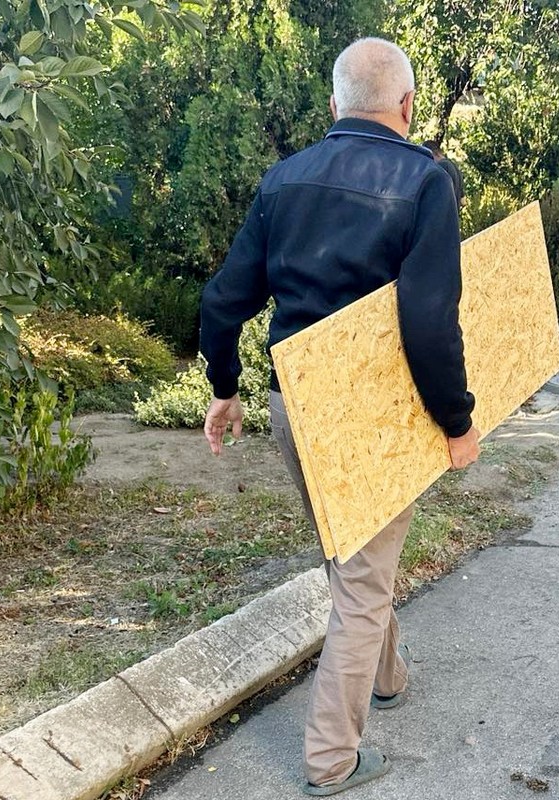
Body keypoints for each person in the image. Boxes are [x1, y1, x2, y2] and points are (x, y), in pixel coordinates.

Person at [199, 37, 480, 796]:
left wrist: (225, 386)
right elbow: (429, 320)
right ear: (409, 105)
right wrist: (457, 421)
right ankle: (332, 759)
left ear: (334, 106)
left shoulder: (283, 180)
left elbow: (223, 300)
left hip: (294, 405)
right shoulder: (426, 183)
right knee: (358, 582)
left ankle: (385, 677)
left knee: (353, 557)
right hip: (374, 415)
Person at [421, 139, 465, 210]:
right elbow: (463, 202)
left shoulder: (442, 166)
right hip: (453, 217)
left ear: (432, 153)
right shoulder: (455, 167)